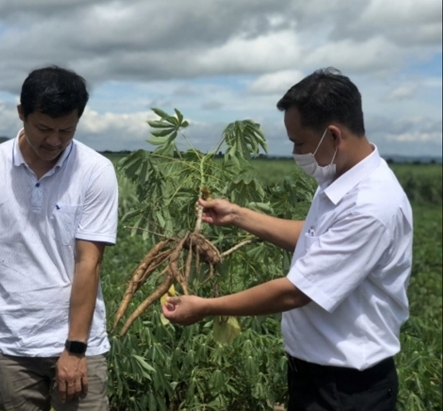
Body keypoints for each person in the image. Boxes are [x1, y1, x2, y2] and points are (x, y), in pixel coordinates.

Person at [162, 68, 412, 411]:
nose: (296, 153)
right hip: (314, 376)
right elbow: (315, 239)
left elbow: (297, 291)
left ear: (333, 136)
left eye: (299, 143)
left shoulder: (371, 206)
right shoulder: (339, 181)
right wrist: (237, 215)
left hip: (347, 389)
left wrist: (206, 307)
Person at [0, 66, 118, 411]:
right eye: (44, 128)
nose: (55, 141)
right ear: (21, 113)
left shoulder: (95, 170)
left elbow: (89, 260)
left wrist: (75, 349)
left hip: (78, 345)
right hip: (12, 347)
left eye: (67, 131)